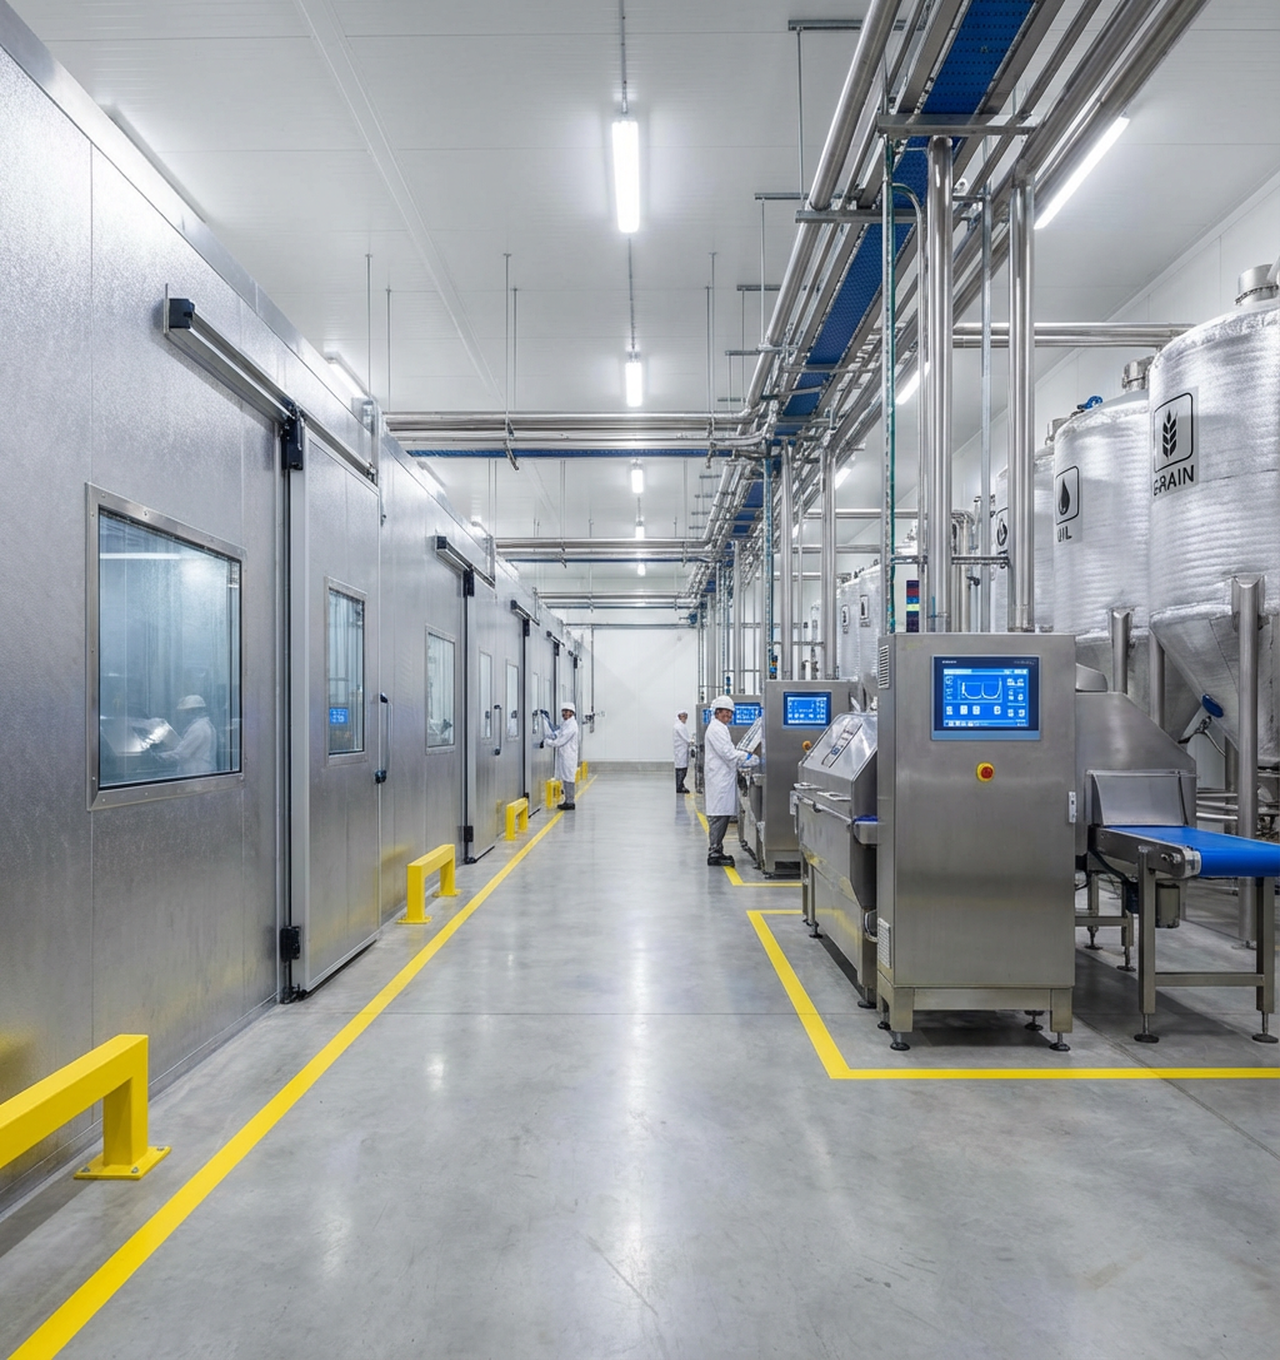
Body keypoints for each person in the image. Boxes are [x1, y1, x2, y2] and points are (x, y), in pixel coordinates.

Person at [703, 695, 754, 867]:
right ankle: (714, 853)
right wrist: (748, 758)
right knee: (719, 816)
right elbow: (728, 753)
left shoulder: (720, 728)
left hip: (722, 778)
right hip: (719, 779)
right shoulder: (716, 729)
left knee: (721, 815)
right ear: (717, 712)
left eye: (730, 713)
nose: (728, 715)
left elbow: (729, 752)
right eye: (725, 712)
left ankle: (717, 850)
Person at [159, 695, 217, 777]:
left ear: (194, 711)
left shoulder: (198, 728)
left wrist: (160, 757)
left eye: (186, 712)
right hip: (200, 772)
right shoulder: (205, 725)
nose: (183, 715)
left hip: (197, 773)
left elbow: (182, 753)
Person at [543, 701, 580, 810]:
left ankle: (570, 802)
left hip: (569, 756)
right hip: (565, 755)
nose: (564, 714)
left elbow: (561, 741)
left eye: (567, 711)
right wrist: (552, 734)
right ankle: (568, 800)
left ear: (572, 713)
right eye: (563, 711)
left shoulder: (572, 726)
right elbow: (559, 732)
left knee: (569, 778)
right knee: (566, 777)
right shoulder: (566, 724)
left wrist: (547, 742)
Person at [672, 710, 692, 794]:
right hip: (681, 751)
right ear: (680, 717)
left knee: (682, 767)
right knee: (681, 769)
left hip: (681, 751)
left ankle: (680, 785)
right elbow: (686, 738)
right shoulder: (679, 726)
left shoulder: (680, 726)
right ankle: (679, 786)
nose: (685, 719)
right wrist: (692, 741)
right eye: (684, 716)